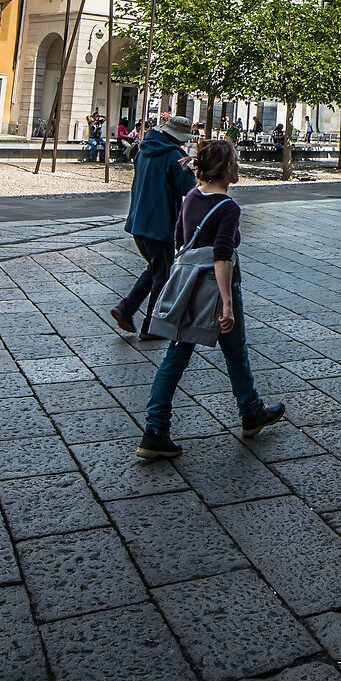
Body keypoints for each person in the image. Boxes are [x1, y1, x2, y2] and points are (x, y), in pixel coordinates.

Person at [136, 139, 285, 458]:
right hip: (218, 288)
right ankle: (250, 412)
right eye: (236, 161)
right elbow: (223, 256)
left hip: (188, 284)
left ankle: (156, 429)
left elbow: (180, 238)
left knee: (176, 356)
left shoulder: (191, 196)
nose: (239, 165)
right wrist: (227, 303)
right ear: (226, 168)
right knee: (235, 352)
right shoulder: (228, 207)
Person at [114, 115, 199, 335]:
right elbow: (187, 189)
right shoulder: (174, 156)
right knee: (163, 274)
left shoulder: (144, 149)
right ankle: (151, 326)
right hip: (159, 224)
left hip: (138, 221)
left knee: (157, 267)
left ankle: (127, 308)